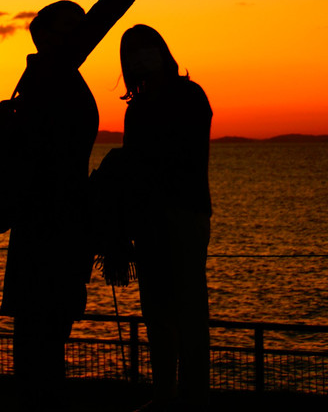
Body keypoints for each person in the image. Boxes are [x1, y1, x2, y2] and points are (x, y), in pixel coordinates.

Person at [2, 0, 156, 408]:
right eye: (69, 26)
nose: (79, 31)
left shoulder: (51, 76)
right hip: (47, 226)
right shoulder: (50, 71)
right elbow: (92, 32)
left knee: (45, 336)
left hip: (53, 224)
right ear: (46, 38)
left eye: (78, 24)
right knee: (41, 336)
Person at [117, 25, 212, 411]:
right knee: (157, 310)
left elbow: (173, 155)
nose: (141, 58)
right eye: (133, 54)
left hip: (184, 213)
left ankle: (193, 395)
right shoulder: (137, 107)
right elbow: (132, 165)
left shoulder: (189, 95)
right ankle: (165, 394)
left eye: (147, 49)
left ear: (162, 51)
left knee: (188, 309)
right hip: (149, 218)